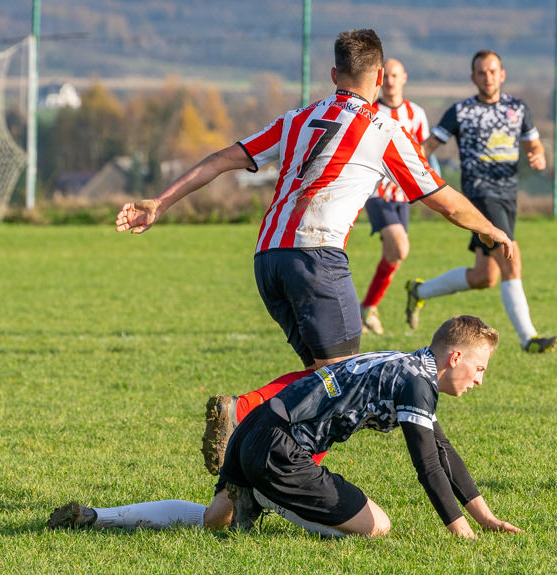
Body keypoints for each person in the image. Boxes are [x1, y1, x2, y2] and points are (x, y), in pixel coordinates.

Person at [116, 30, 513, 372]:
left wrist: (160, 202)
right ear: (378, 77)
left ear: (334, 75)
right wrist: (492, 229)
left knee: (319, 378)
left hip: (268, 258)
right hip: (316, 258)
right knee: (343, 382)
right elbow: (444, 201)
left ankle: (260, 437)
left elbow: (221, 160)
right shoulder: (383, 130)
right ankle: (242, 413)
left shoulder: (295, 119)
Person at [47, 315, 523, 539]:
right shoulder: (418, 382)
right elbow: (426, 464)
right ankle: (267, 494)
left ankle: (99, 516)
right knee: (378, 526)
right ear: (455, 356)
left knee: (216, 520)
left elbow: (442, 451)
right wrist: (460, 530)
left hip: (255, 426)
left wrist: (484, 516)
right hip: (279, 450)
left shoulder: (408, 366)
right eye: (480, 367)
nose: (480, 378)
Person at [407, 50, 557, 353]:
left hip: (507, 196)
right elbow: (428, 147)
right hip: (480, 196)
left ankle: (419, 290)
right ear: (473, 78)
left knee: (484, 276)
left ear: (502, 74)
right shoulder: (461, 111)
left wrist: (538, 155)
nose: (488, 77)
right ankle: (528, 338)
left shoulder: (517, 108)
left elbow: (534, 143)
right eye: (481, 72)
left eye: (493, 71)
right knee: (511, 255)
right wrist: (410, 169)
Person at [360, 58, 435, 335]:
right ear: (379, 79)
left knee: (394, 255)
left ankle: (367, 307)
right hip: (376, 192)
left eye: (395, 75)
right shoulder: (370, 111)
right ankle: (366, 308)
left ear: (404, 78)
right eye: (386, 76)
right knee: (400, 247)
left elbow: (422, 152)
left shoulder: (416, 113)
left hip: (403, 195)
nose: (390, 81)